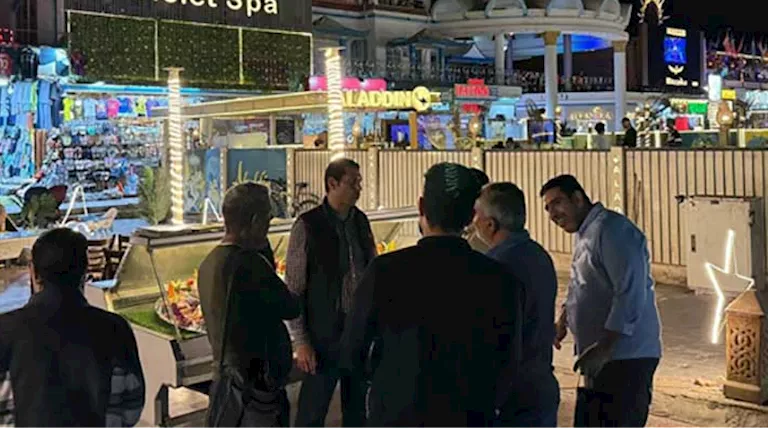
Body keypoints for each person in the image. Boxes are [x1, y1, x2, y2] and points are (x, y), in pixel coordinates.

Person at [340, 162, 524, 428]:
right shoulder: (500, 279)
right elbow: (508, 365)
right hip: (469, 419)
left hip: (398, 418)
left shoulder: (386, 271)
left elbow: (352, 352)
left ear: (421, 206)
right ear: (471, 216)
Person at [540, 174, 662, 430]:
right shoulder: (586, 232)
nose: (553, 214)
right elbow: (582, 284)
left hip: (625, 357)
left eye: (557, 203)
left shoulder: (612, 230)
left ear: (577, 198)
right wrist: (563, 320)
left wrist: (605, 347)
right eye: (548, 209)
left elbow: (629, 293)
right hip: (599, 357)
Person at [0, 228, 144, 428]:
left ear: (33, 272)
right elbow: (131, 409)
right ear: (84, 273)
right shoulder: (115, 329)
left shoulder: (5, 330)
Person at [198, 183, 299, 429]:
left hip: (228, 380)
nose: (269, 225)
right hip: (256, 388)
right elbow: (290, 307)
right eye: (267, 218)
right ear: (255, 221)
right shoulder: (251, 265)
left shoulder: (209, 263)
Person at [286, 158, 377, 430]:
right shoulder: (308, 225)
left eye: (359, 182)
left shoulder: (360, 221)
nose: (359, 189)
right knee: (312, 413)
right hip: (323, 336)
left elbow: (371, 270)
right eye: (353, 183)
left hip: (358, 331)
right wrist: (301, 341)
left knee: (357, 411)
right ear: (332, 183)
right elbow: (294, 288)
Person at [473, 182, 560, 428]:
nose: (473, 223)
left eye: (476, 216)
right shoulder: (540, 256)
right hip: (540, 385)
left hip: (511, 396)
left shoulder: (494, 267)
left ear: (490, 225)